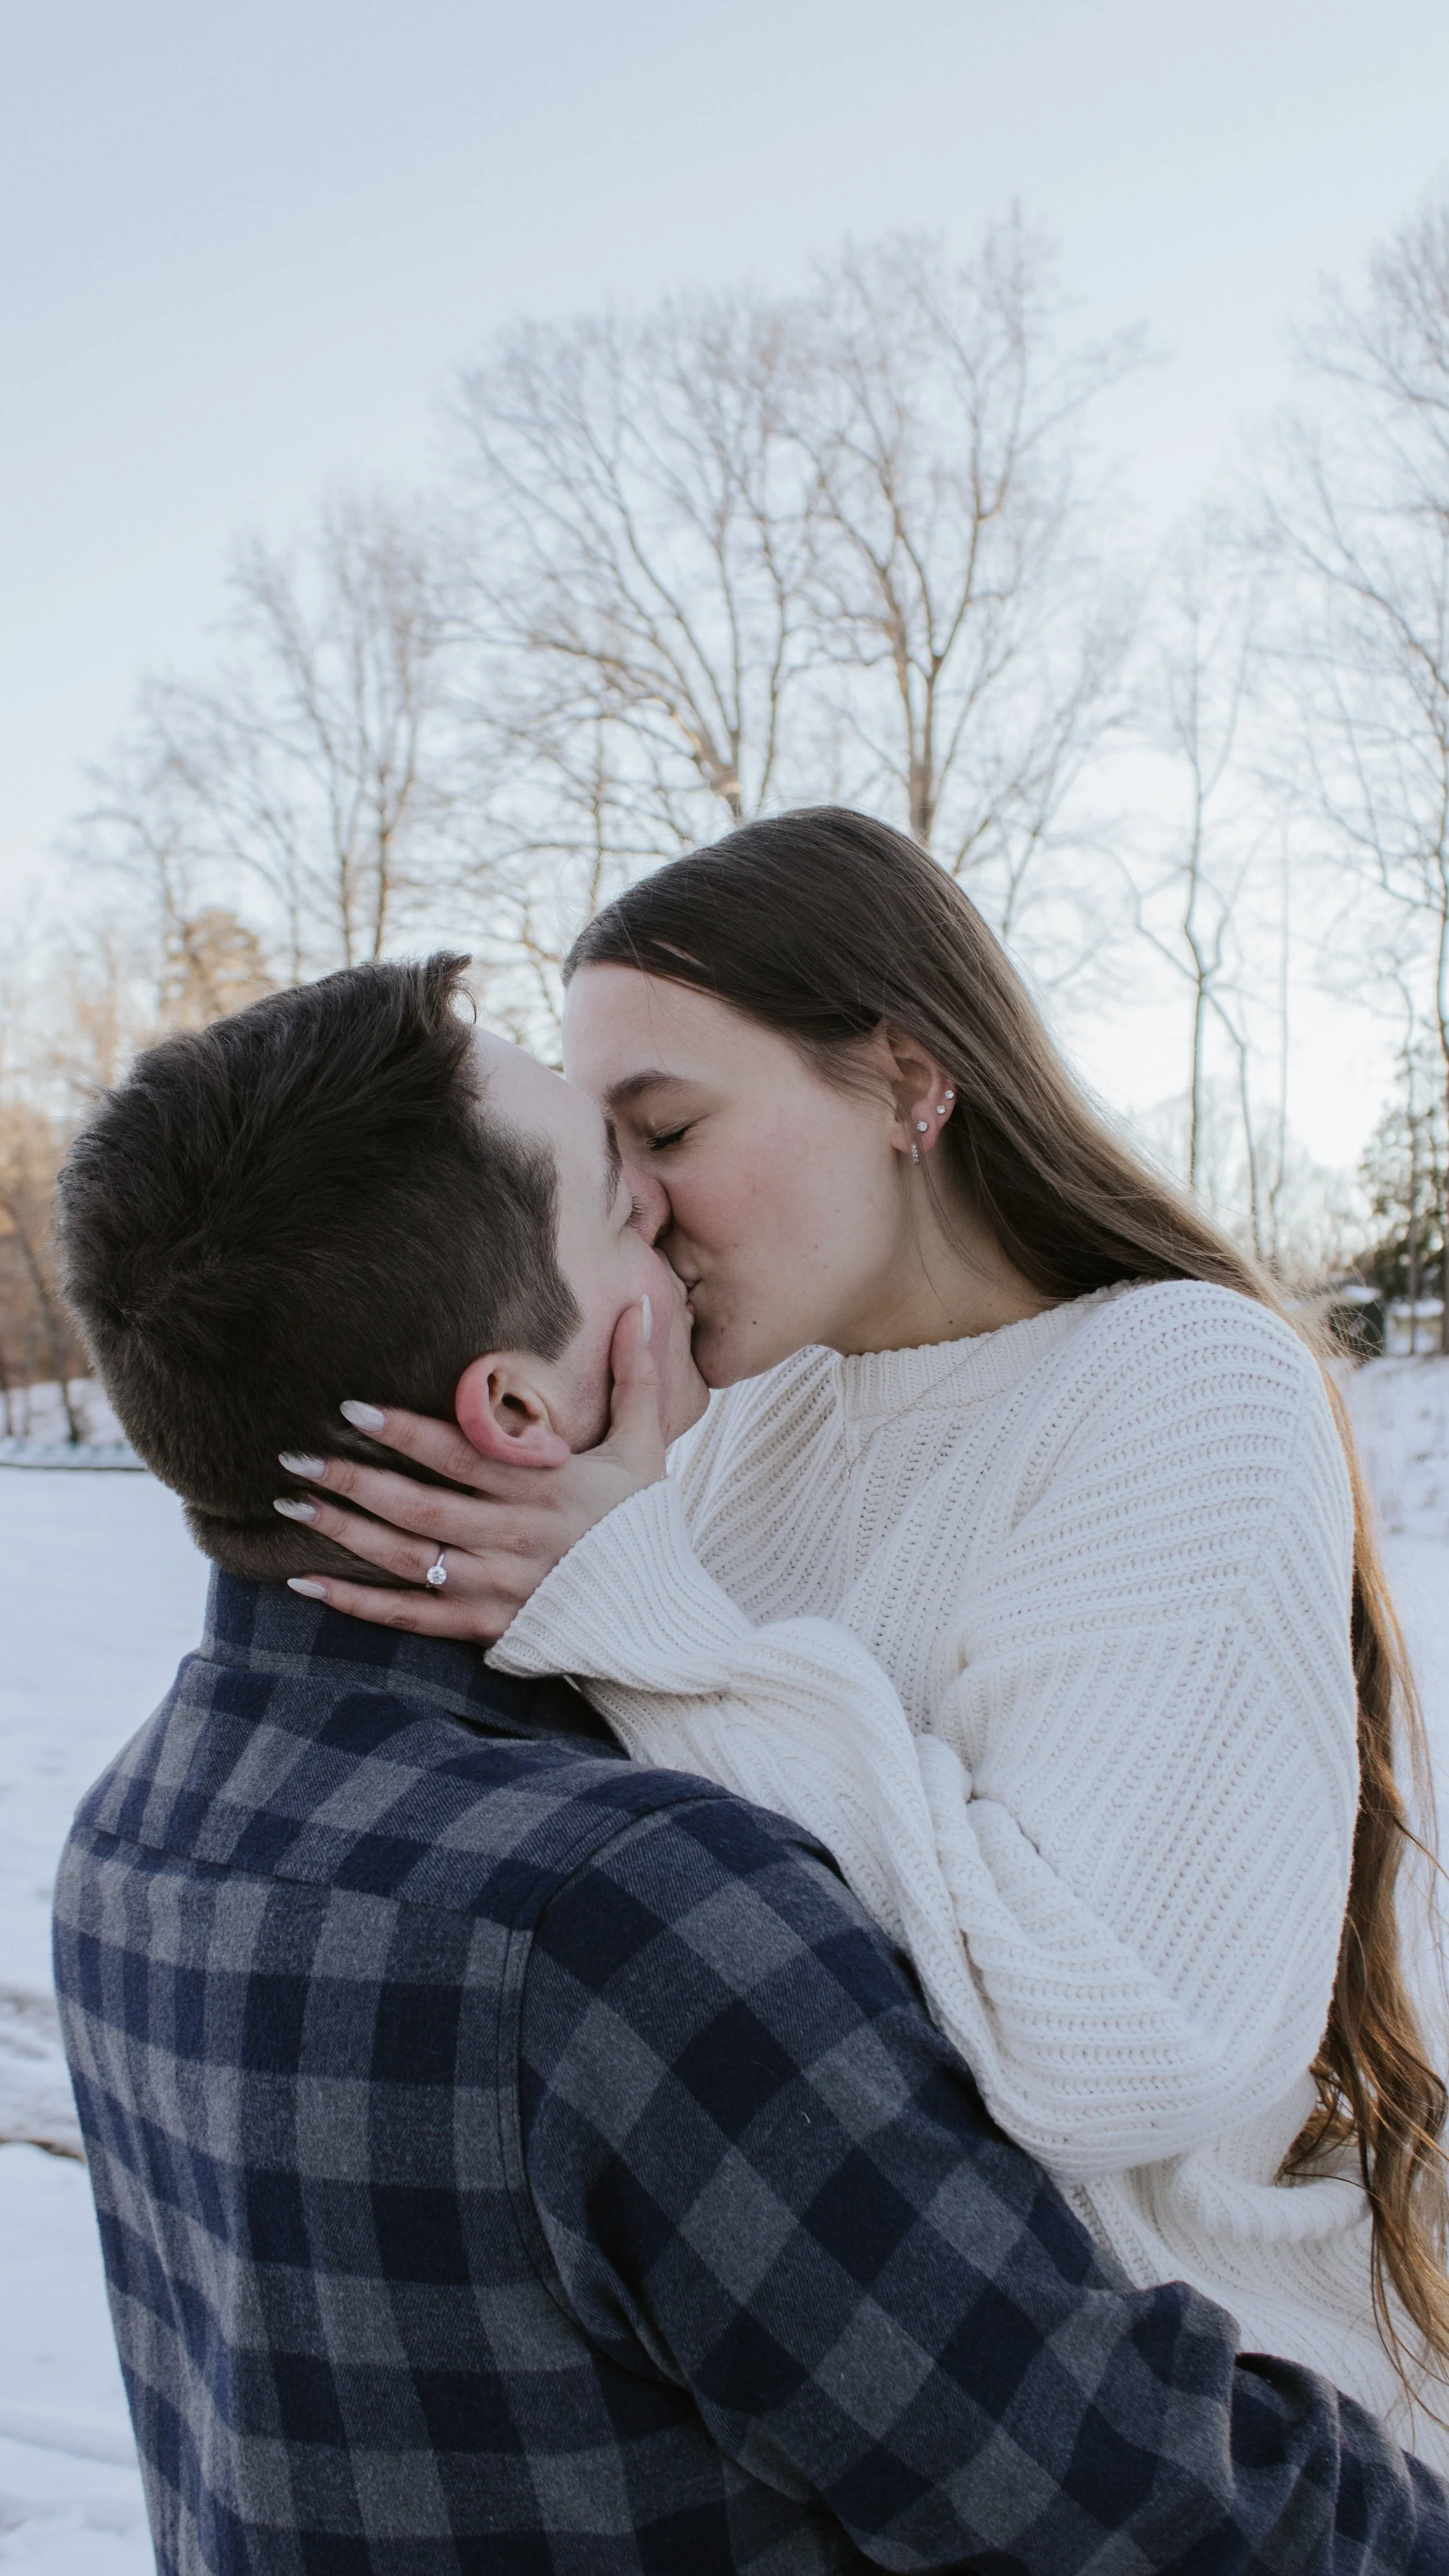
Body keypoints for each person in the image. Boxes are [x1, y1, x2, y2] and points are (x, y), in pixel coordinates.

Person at [50, 954, 1449, 2571]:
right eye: (624, 1217)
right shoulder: (622, 1916)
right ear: (512, 1403)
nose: (677, 1233)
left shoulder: (137, 1836)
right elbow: (1137, 2505)